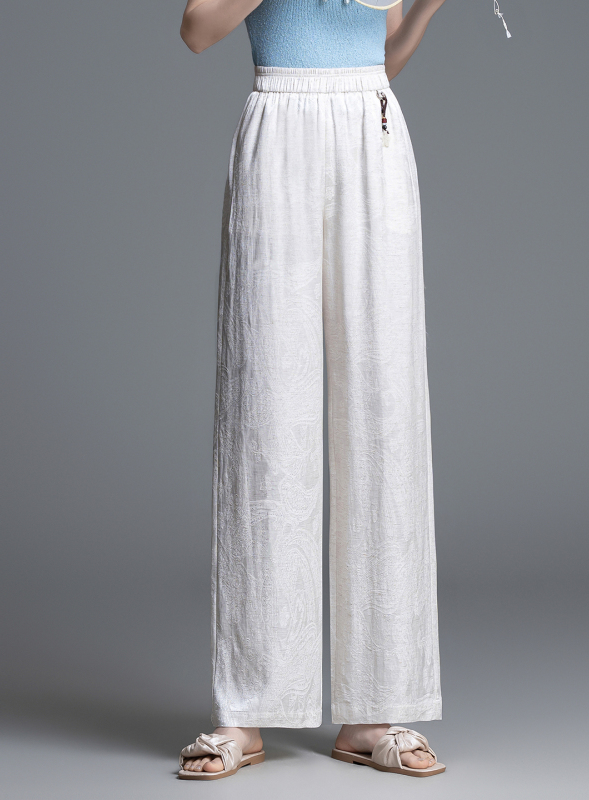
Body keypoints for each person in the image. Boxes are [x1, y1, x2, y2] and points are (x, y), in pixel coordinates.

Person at [177, 0, 450, 780]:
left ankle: (375, 712)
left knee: (385, 413)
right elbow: (197, 29)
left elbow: (380, 55)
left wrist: (427, 7)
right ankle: (243, 712)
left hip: (372, 126)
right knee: (264, 413)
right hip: (279, 123)